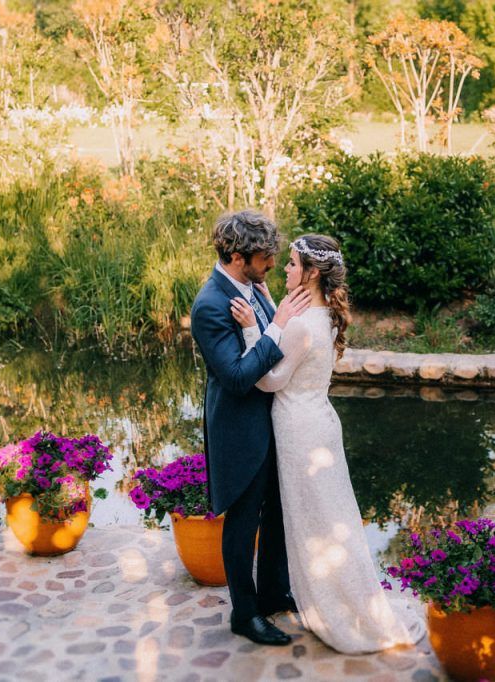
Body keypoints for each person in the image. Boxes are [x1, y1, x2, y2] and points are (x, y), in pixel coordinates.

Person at [231, 233, 426, 654]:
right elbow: (291, 353)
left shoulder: (301, 324)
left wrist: (252, 330)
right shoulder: (327, 317)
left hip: (298, 429)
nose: (284, 268)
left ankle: (338, 610)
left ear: (312, 273)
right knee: (331, 515)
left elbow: (270, 379)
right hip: (320, 422)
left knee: (311, 522)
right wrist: (272, 315)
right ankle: (340, 597)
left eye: (293, 264)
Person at [189, 210, 311, 646]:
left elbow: (271, 351)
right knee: (243, 525)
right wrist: (275, 328)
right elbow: (239, 378)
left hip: (275, 421)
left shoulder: (252, 287)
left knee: (277, 510)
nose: (272, 266)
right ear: (239, 257)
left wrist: (273, 322)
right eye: (264, 258)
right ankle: (244, 613)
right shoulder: (209, 306)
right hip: (240, 429)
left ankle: (274, 593)